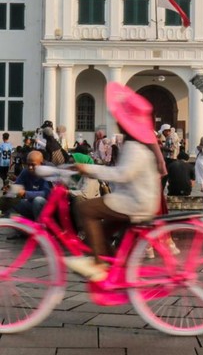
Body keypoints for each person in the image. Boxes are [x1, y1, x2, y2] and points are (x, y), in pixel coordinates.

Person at [65, 83, 161, 282]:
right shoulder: (136, 146)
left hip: (134, 202)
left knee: (85, 209)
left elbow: (122, 174)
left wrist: (88, 169)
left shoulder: (134, 147)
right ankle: (114, 266)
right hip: (133, 199)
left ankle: (100, 264)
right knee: (100, 230)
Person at [4, 150, 52, 220]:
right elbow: (18, 185)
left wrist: (25, 193)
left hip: (45, 207)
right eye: (28, 164)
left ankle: (41, 227)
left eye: (33, 165)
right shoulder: (25, 172)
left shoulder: (47, 174)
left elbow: (46, 193)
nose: (30, 167)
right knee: (9, 200)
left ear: (41, 164)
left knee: (38, 201)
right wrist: (11, 188)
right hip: (30, 204)